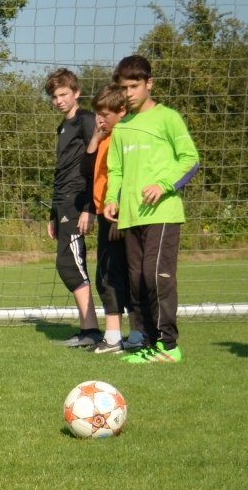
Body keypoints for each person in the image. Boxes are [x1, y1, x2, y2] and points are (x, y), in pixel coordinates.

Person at [102, 55, 199, 364]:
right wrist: (111, 199)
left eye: (134, 86)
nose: (128, 93)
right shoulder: (122, 126)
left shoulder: (167, 117)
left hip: (163, 214)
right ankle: (148, 343)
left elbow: (190, 159)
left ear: (149, 84)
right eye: (123, 87)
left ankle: (169, 347)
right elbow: (115, 171)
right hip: (130, 217)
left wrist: (163, 184)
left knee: (156, 276)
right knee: (137, 281)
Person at [44, 68, 101, 348]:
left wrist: (90, 207)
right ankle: (87, 328)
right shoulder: (63, 126)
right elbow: (61, 172)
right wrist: (53, 214)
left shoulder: (87, 120)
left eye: (64, 94)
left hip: (80, 202)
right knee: (68, 265)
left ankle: (92, 329)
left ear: (76, 92)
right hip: (63, 204)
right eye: (55, 97)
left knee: (72, 264)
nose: (59, 100)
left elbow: (95, 167)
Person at [87, 83, 144, 354]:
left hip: (117, 216)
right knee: (111, 276)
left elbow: (124, 178)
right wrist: (96, 137)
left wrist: (117, 217)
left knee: (114, 277)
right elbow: (87, 170)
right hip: (104, 213)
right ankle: (129, 337)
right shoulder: (106, 137)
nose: (99, 119)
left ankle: (120, 337)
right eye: (97, 113)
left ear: (122, 111)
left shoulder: (123, 137)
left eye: (104, 114)